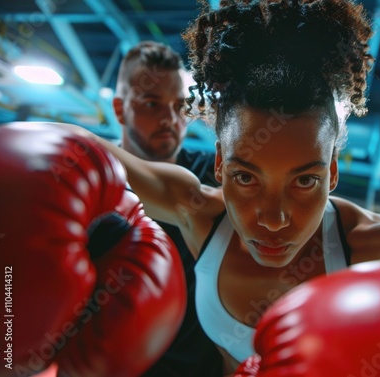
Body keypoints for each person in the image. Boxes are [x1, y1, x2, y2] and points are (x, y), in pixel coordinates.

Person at [57, 0, 380, 374]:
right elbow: (74, 148)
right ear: (219, 166)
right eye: (246, 177)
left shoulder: (365, 243)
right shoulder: (197, 211)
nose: (273, 218)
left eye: (305, 180)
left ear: (334, 173)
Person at [112, 40, 223, 377]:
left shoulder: (215, 176)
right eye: (152, 103)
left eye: (180, 105)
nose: (170, 118)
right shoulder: (93, 186)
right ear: (120, 110)